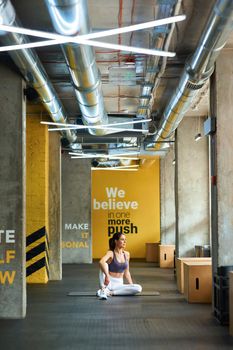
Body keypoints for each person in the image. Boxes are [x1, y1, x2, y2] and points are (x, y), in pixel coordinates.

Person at [96, 232, 142, 300]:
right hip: (108, 282)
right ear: (116, 241)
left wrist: (131, 285)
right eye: (122, 239)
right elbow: (101, 262)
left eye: (125, 240)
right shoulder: (110, 253)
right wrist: (107, 276)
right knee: (103, 264)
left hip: (119, 284)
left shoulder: (127, 254)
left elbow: (127, 272)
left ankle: (111, 293)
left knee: (138, 288)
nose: (125, 242)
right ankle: (103, 289)